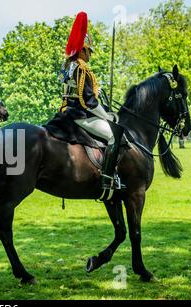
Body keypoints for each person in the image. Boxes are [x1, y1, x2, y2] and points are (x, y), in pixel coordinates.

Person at [59, 11, 123, 196]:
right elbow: (89, 101)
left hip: (66, 112)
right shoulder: (82, 69)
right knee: (113, 136)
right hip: (81, 116)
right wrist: (108, 116)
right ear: (83, 50)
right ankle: (108, 179)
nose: (90, 56)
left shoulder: (67, 67)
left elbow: (77, 92)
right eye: (89, 51)